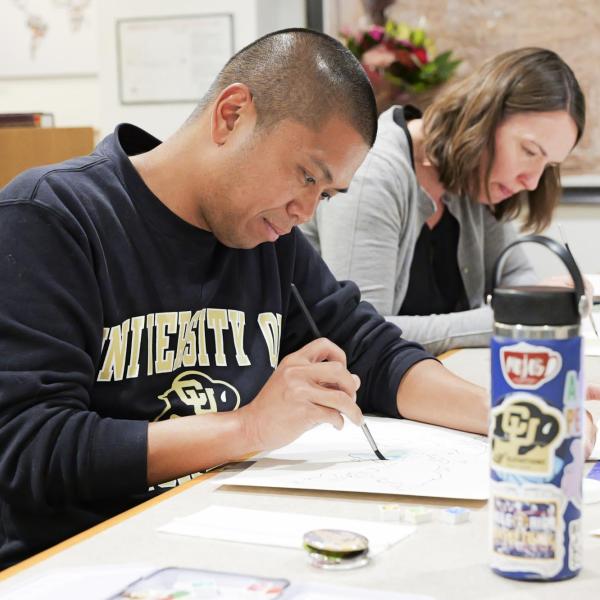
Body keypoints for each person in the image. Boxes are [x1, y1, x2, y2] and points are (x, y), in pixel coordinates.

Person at [0, 30, 592, 569]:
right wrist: (248, 428)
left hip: (217, 533)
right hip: (83, 558)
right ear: (232, 114)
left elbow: (372, 350)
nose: (306, 212)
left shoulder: (263, 233)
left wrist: (515, 414)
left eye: (328, 194)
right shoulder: (54, 217)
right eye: (306, 175)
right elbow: (34, 449)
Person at [301, 47, 586, 355]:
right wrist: (512, 316)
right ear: (483, 119)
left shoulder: (476, 178)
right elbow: (360, 333)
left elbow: (514, 274)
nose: (531, 181)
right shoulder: (373, 174)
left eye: (547, 166)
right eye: (529, 152)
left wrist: (538, 298)